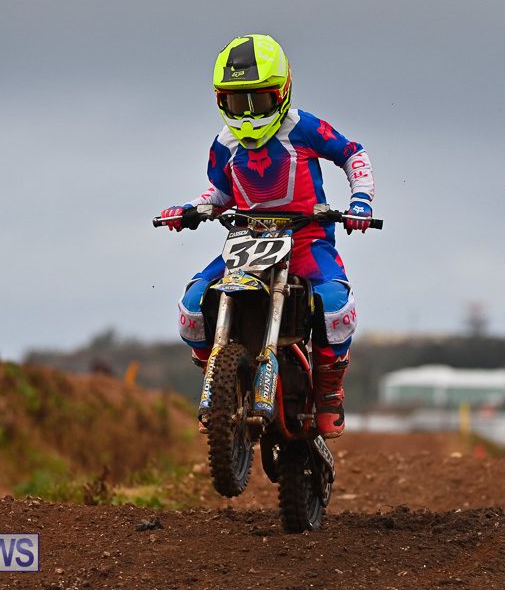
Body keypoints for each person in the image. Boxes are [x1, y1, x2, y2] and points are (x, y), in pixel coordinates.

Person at [159, 34, 375, 439]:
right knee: (192, 306)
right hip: (247, 241)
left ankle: (329, 393)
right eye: (238, 102)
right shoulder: (224, 143)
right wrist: (191, 208)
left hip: (307, 238)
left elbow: (353, 153)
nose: (248, 112)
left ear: (282, 92)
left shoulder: (305, 127)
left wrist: (360, 201)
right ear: (222, 101)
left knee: (333, 304)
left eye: (258, 100)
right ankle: (219, 389)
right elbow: (219, 192)